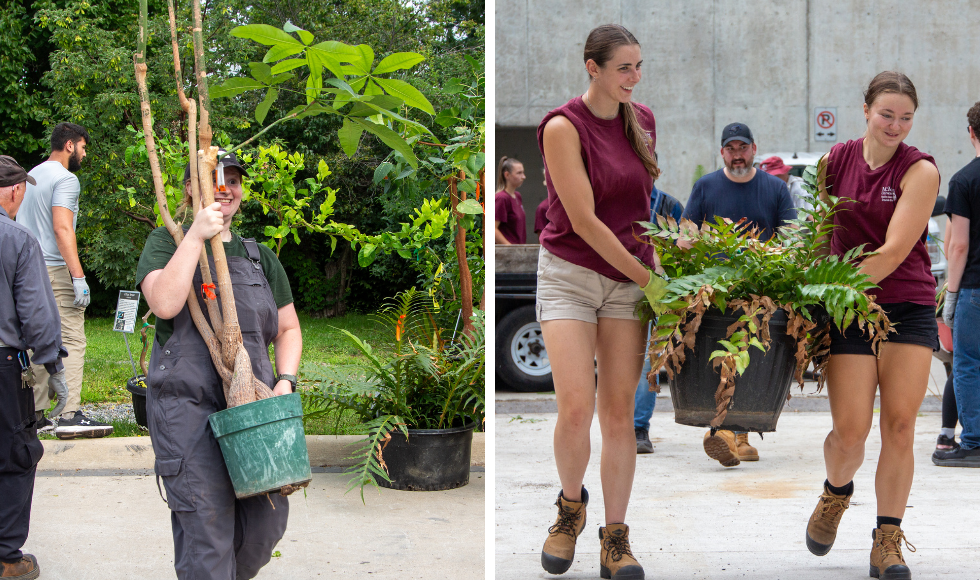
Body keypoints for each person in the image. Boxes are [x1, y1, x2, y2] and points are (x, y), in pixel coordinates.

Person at [136, 150, 302, 580]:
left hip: (253, 408)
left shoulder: (257, 256)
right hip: (187, 411)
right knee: (206, 530)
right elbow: (165, 302)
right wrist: (193, 237)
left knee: (266, 524)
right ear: (191, 188)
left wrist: (285, 380)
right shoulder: (165, 243)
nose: (225, 187)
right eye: (213, 178)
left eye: (233, 179)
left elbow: (287, 328)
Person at [536, 23, 664, 580]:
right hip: (570, 273)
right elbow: (584, 221)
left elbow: (642, 205)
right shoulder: (563, 127)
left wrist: (660, 266)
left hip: (627, 280)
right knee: (575, 409)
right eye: (623, 68)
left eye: (638, 66)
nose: (634, 78)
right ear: (593, 68)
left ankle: (616, 536)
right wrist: (649, 278)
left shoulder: (643, 122)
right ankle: (569, 510)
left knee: (618, 414)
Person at [804, 71, 940, 580]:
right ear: (865, 110)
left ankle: (887, 540)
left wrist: (822, 284)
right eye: (887, 114)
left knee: (900, 426)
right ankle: (836, 493)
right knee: (850, 432)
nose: (896, 125)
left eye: (906, 117)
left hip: (905, 303)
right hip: (847, 310)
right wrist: (804, 284)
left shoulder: (920, 171)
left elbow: (892, 253)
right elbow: (819, 238)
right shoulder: (832, 162)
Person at [681, 122, 797, 466]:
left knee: (750, 358)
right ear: (722, 153)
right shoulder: (706, 186)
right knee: (722, 356)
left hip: (761, 292)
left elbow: (791, 239)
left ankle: (739, 435)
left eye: (742, 148)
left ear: (753, 149)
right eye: (730, 149)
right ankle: (724, 432)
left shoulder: (775, 189)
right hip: (716, 292)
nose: (737, 155)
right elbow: (686, 235)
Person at [16, 122, 113, 439]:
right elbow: (62, 229)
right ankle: (70, 414)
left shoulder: (32, 175)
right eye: (83, 148)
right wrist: (78, 276)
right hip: (56, 269)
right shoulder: (65, 179)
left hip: (27, 267)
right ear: (70, 145)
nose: (84, 155)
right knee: (70, 339)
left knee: (36, 340)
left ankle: (36, 414)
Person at [0, 155, 67, 580]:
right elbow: (37, 314)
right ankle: (7, 558)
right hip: (4, 368)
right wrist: (53, 363)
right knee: (15, 456)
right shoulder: (17, 238)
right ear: (14, 190)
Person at [933, 99, 980, 467]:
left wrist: (951, 295)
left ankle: (974, 441)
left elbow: (958, 244)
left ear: (971, 133)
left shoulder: (964, 180)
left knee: (968, 364)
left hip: (976, 289)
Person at [635, 175, 684, 455]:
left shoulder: (669, 205)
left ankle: (638, 427)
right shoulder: (618, 200)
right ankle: (620, 424)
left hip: (658, 292)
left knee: (649, 361)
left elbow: (684, 247)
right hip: (622, 287)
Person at [495, 156, 528, 244]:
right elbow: (492, 229)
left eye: (523, 172)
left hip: (519, 251)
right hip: (507, 255)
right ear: (507, 175)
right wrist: (509, 247)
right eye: (519, 173)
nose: (523, 177)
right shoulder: (501, 198)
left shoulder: (517, 196)